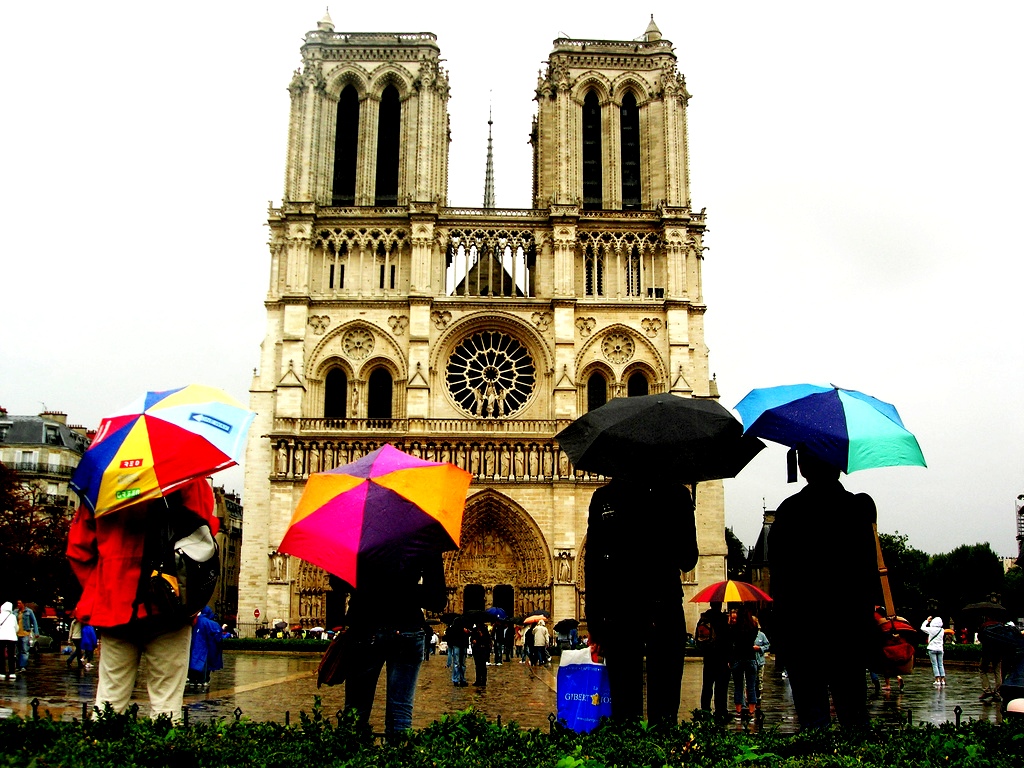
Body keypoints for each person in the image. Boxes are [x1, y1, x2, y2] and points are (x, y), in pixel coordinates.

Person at [66, 478, 218, 721]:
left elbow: (78, 549)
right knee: (167, 705)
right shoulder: (188, 475)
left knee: (109, 702)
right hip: (169, 604)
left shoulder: (101, 479)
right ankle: (160, 755)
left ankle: (101, 751)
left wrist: (104, 587)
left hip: (116, 606)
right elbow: (203, 535)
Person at [768, 447, 879, 729]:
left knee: (812, 719)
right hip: (848, 627)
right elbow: (869, 573)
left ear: (802, 467)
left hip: (803, 629)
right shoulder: (858, 508)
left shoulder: (790, 511)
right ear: (840, 465)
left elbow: (779, 577)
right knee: (853, 713)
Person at [585, 476, 699, 724]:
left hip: (620, 610)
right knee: (665, 709)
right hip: (664, 606)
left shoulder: (605, 497)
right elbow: (689, 559)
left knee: (625, 710)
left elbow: (592, 563)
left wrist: (594, 623)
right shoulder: (676, 495)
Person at [338, 552, 446, 735]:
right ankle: (396, 759)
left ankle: (350, 759)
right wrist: (405, 590)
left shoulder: (359, 534)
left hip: (365, 627)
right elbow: (437, 600)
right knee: (400, 713)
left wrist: (369, 586)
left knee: (355, 712)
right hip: (406, 628)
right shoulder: (423, 536)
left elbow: (338, 583)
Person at [697, 601, 731, 719]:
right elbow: (728, 640)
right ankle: (720, 710)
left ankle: (705, 710)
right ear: (720, 605)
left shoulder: (704, 618)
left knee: (707, 686)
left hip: (708, 657)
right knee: (721, 687)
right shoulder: (722, 619)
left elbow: (699, 640)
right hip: (721, 658)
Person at [727, 606, 759, 719]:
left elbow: (731, 643)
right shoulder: (753, 627)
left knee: (738, 686)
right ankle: (751, 711)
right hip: (750, 657)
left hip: (738, 657)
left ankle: (739, 711)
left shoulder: (734, 628)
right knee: (751, 686)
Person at [188, 606, 223, 691]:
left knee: (194, 663)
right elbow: (218, 637)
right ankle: (202, 681)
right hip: (206, 648)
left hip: (194, 647)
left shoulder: (194, 621)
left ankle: (193, 680)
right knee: (204, 665)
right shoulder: (211, 623)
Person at [14, 600, 39, 672]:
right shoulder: (15, 612)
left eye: (19, 603)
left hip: (25, 633)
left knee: (24, 650)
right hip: (16, 634)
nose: (18, 604)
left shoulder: (29, 611)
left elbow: (34, 621)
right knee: (17, 651)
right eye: (17, 603)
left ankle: (23, 666)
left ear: (23, 604)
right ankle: (18, 666)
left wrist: (36, 632)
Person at [445, 615, 469, 686]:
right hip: (460, 645)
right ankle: (461, 679)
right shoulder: (463, 628)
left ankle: (457, 679)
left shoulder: (454, 628)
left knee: (457, 663)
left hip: (458, 645)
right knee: (461, 664)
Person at [922, 615, 946, 686]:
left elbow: (922, 628)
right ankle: (943, 680)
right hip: (940, 649)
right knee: (941, 664)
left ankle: (937, 680)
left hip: (932, 648)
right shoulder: (942, 630)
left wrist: (927, 621)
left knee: (935, 664)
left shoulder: (931, 629)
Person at [752, 616, 770, 697]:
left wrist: (760, 648)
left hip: (759, 661)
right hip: (750, 661)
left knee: (759, 679)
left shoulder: (761, 635)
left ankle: (758, 696)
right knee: (750, 680)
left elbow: (767, 645)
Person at [470, 619, 491, 686]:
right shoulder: (474, 630)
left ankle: (484, 680)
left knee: (483, 665)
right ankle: (478, 680)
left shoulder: (485, 630)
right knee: (477, 665)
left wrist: (481, 635)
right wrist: (473, 640)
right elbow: (471, 638)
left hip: (483, 649)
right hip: (476, 649)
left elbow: (487, 639)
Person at [0, 602, 18, 679]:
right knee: (11, 656)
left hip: (1, 638)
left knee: (1, 656)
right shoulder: (13, 617)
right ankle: (12, 673)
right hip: (11, 638)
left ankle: (2, 673)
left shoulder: (0, 616)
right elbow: (16, 628)